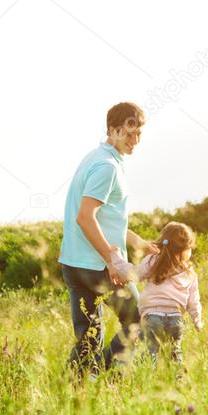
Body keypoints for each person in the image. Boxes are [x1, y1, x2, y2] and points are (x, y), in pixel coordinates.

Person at [58, 102, 159, 377]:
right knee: (141, 319)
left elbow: (103, 218)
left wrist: (135, 242)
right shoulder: (108, 167)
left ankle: (77, 383)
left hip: (74, 263)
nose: (134, 141)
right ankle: (106, 373)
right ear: (112, 130)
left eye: (138, 134)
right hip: (97, 266)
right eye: (128, 134)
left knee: (89, 335)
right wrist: (112, 260)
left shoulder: (95, 158)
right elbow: (85, 217)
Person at [136, 222, 203, 367]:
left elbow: (135, 275)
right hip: (175, 319)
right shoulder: (189, 272)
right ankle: (177, 382)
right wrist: (197, 320)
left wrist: (115, 260)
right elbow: (194, 301)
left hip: (151, 318)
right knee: (175, 353)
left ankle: (145, 382)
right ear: (185, 250)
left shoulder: (152, 261)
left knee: (149, 353)